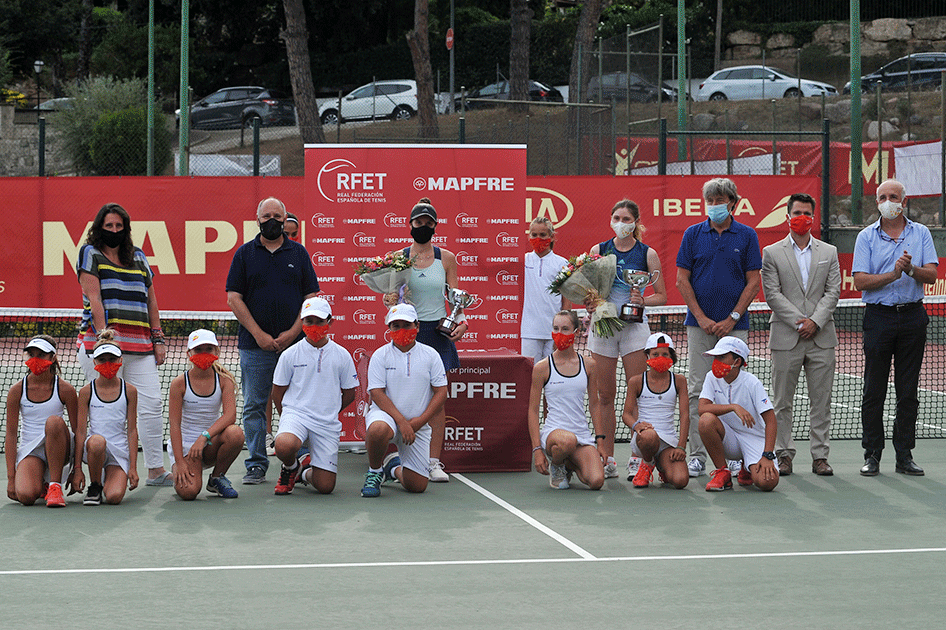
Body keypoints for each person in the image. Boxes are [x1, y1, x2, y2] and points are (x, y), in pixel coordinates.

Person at [226, 196, 320, 484]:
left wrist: (294, 332)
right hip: (255, 348)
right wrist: (259, 334)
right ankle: (256, 463)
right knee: (255, 404)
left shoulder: (299, 254)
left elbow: (311, 297)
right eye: (266, 216)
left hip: (296, 347)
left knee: (299, 403)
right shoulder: (244, 254)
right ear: (257, 221)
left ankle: (301, 460)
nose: (271, 221)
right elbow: (233, 297)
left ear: (285, 219)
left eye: (276, 216)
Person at [76, 202, 170, 487]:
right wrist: (106, 340)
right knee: (105, 409)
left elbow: (151, 301)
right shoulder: (89, 253)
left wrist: (158, 339)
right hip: (101, 349)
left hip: (141, 348)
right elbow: (95, 300)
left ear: (126, 229)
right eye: (109, 226)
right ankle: (102, 471)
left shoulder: (139, 257)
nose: (114, 230)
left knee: (151, 405)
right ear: (99, 228)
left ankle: (155, 470)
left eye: (119, 226)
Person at [676, 178, 762, 478]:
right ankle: (698, 456)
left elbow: (753, 281)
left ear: (733, 203)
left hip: (734, 329)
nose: (714, 205)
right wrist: (700, 318)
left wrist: (733, 318)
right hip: (699, 327)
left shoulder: (747, 235)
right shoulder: (692, 234)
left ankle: (737, 455)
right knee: (701, 389)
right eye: (710, 200)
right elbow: (682, 280)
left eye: (720, 200)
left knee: (736, 392)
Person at [852, 179, 938, 477]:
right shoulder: (866, 237)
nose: (888, 201)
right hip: (878, 318)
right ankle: (872, 454)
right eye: (882, 197)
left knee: (908, 391)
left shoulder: (921, 233)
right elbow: (860, 281)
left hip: (913, 317)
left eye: (893, 196)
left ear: (904, 200)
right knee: (873, 390)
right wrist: (893, 274)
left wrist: (911, 270)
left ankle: (904, 455)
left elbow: (932, 274)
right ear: (876, 202)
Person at [387, 197, 466, 483]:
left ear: (435, 226)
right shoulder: (399, 257)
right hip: (407, 331)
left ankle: (433, 462)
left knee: (437, 400)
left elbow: (456, 299)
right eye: (418, 222)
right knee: (400, 394)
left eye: (428, 223)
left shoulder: (447, 258)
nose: (423, 226)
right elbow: (392, 296)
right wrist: (389, 299)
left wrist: (462, 321)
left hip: (437, 333)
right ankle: (398, 456)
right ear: (410, 225)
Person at [761, 193, 841, 476]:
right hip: (786, 337)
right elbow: (772, 294)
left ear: (813, 217)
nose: (802, 218)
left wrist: (815, 322)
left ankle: (820, 456)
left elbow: (833, 292)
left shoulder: (829, 253)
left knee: (821, 401)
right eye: (797, 212)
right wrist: (800, 322)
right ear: (787, 216)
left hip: (822, 338)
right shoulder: (771, 252)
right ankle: (784, 455)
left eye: (807, 213)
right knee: (782, 402)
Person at [587, 199, 666, 479]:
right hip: (603, 329)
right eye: (617, 217)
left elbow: (662, 296)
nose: (621, 223)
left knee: (639, 395)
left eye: (626, 218)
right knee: (604, 395)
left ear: (635, 222)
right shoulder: (599, 251)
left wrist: (642, 300)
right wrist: (591, 302)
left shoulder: (648, 253)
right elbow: (590, 291)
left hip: (635, 330)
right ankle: (606, 457)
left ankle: (638, 457)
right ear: (611, 220)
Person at [271, 297, 358, 496]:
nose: (314, 326)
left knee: (325, 487)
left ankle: (302, 472)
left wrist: (329, 411)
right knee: (284, 444)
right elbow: (277, 393)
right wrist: (287, 417)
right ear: (302, 323)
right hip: (296, 416)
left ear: (330, 322)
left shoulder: (342, 355)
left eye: (320, 321)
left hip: (326, 424)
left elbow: (350, 394)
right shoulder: (290, 354)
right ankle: (290, 466)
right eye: (309, 321)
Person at [361, 304, 448, 498]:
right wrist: (401, 422)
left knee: (417, 486)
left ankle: (392, 468)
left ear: (417, 326)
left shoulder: (431, 355)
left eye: (406, 325)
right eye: (395, 326)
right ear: (389, 329)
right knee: (378, 430)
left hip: (418, 425)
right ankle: (375, 471)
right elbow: (376, 392)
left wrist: (420, 421)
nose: (401, 330)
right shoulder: (380, 355)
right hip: (388, 419)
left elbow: (441, 391)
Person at [527, 310, 605, 490]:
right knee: (567, 441)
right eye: (555, 328)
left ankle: (569, 464)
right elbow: (532, 410)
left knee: (596, 481)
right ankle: (557, 464)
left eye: (565, 328)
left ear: (576, 332)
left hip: (581, 435)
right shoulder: (542, 367)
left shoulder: (589, 365)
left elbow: (594, 404)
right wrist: (537, 449)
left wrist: (600, 441)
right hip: (555, 434)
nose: (559, 333)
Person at [167, 329, 244, 501]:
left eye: (208, 349)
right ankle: (184, 469)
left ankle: (216, 478)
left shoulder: (224, 381)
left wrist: (204, 437)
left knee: (236, 433)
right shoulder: (179, 383)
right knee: (188, 493)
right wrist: (179, 462)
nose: (203, 354)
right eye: (198, 350)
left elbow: (230, 416)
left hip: (209, 444)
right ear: (189, 353)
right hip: (187, 448)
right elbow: (174, 425)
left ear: (217, 351)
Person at [4, 337, 80, 507]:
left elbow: (78, 432)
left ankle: (54, 486)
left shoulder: (66, 389)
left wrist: (76, 470)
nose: (35, 359)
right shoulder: (16, 390)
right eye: (32, 355)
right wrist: (11, 478)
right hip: (32, 451)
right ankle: (41, 482)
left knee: (53, 422)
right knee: (25, 495)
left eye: (41, 355)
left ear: (52, 358)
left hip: (60, 447)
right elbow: (10, 434)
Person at [697, 337, 778, 492]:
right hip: (729, 438)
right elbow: (702, 408)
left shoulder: (752, 383)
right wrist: (733, 407)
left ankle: (746, 467)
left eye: (722, 357)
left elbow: (771, 421)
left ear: (738, 362)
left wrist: (767, 455)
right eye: (716, 357)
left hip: (754, 438)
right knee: (705, 420)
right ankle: (723, 473)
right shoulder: (711, 377)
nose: (716, 361)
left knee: (768, 482)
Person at [76, 332, 139, 505]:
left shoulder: (130, 391)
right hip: (94, 448)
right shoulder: (86, 392)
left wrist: (133, 467)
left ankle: (108, 477)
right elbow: (80, 432)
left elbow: (132, 430)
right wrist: (77, 469)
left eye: (112, 359)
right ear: (95, 362)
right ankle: (95, 486)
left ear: (120, 361)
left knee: (113, 497)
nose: (107, 363)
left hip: (118, 451)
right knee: (97, 442)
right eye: (102, 359)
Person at [621, 333, 689, 489]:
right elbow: (626, 414)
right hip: (645, 438)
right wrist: (636, 426)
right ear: (647, 356)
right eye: (655, 354)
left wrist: (681, 446)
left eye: (665, 354)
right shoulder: (636, 381)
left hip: (668, 442)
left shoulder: (679, 380)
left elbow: (685, 415)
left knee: (680, 481)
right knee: (650, 435)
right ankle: (646, 463)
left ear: (671, 356)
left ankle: (661, 466)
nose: (660, 357)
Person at [521, 216, 566, 364]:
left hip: (553, 331)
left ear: (552, 237)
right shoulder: (523, 260)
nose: (538, 238)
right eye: (534, 235)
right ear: (529, 236)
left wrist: (563, 331)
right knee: (529, 376)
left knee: (551, 376)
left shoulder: (562, 263)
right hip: (529, 331)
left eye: (543, 235)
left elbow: (567, 300)